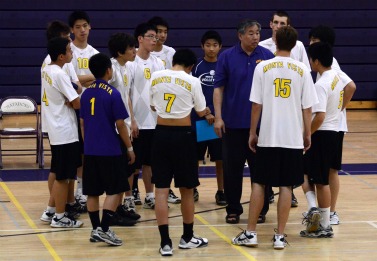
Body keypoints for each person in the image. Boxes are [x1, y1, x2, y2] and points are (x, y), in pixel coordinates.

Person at [231, 26, 317, 250]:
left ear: (276, 41)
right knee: (287, 186)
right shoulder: (302, 69)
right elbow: (307, 108)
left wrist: (252, 132)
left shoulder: (263, 67)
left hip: (268, 137)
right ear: (295, 43)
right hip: (292, 138)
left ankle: (250, 233)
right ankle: (280, 236)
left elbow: (256, 105)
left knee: (259, 183)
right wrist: (307, 133)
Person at [213, 19, 274, 224]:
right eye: (250, 33)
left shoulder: (267, 56)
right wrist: (219, 117)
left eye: (257, 32)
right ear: (240, 36)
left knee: (261, 170)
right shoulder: (227, 57)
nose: (255, 36)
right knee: (232, 170)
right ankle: (233, 209)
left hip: (260, 126)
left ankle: (261, 209)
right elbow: (218, 89)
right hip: (233, 125)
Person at [150, 48, 210, 256]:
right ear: (191, 67)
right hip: (183, 136)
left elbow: (152, 106)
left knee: (161, 190)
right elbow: (201, 111)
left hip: (160, 135)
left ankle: (165, 242)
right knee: (186, 188)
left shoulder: (156, 77)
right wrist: (209, 113)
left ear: (173, 61)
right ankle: (187, 237)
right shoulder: (193, 81)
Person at [80, 53, 136, 246]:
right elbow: (121, 124)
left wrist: (87, 143)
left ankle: (95, 229)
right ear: (108, 71)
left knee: (92, 192)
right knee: (116, 189)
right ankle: (104, 229)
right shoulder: (113, 93)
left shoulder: (85, 93)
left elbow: (82, 123)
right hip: (110, 149)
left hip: (91, 149)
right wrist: (129, 147)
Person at [259, 10, 311, 207]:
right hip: (270, 106)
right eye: (276, 22)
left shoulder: (297, 46)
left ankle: (288, 189)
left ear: (288, 26)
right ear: (270, 24)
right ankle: (268, 190)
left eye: (283, 23)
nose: (278, 26)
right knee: (270, 146)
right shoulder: (262, 46)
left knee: (287, 149)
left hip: (291, 106)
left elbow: (305, 72)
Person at [307, 25, 356, 225]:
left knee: (324, 175)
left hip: (327, 127)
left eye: (313, 41)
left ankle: (326, 215)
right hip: (332, 125)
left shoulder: (330, 67)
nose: (310, 44)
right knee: (327, 173)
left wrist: (338, 109)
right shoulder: (328, 67)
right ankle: (326, 214)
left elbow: (351, 86)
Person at [40, 21, 85, 224]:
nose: (72, 52)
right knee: (63, 176)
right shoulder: (60, 73)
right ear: (61, 56)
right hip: (65, 130)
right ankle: (60, 217)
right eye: (68, 49)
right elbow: (76, 104)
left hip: (56, 127)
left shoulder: (47, 70)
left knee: (60, 172)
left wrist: (73, 91)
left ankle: (50, 210)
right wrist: (76, 92)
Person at [300, 42, 344, 238]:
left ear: (316, 61)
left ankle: (324, 225)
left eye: (310, 59)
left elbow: (319, 116)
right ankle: (316, 213)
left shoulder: (320, 84)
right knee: (313, 175)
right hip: (334, 132)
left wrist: (307, 134)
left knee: (320, 181)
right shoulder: (336, 77)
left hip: (322, 134)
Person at [128, 22, 165, 210]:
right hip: (136, 121)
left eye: (156, 36)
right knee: (134, 162)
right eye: (151, 36)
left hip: (154, 120)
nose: (155, 39)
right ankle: (130, 194)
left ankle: (150, 195)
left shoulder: (158, 63)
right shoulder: (130, 62)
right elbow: (126, 93)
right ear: (140, 39)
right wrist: (132, 119)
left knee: (150, 162)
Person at [144, 16, 181, 205]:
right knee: (139, 155)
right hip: (144, 109)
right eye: (159, 32)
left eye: (165, 32)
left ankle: (165, 188)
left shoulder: (170, 53)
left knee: (159, 156)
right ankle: (134, 190)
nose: (162, 35)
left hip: (164, 109)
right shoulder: (141, 57)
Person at [107, 32, 140, 225]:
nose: (134, 51)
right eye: (130, 48)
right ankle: (112, 213)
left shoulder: (126, 68)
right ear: (120, 51)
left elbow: (126, 96)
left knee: (127, 169)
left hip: (126, 124)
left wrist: (133, 120)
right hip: (115, 127)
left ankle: (119, 207)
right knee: (119, 171)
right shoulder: (111, 68)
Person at [68, 10, 99, 208]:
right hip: (72, 106)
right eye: (78, 27)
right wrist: (85, 79)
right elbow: (69, 81)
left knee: (88, 149)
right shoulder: (67, 50)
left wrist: (80, 80)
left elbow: (99, 78)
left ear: (90, 27)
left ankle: (82, 189)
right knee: (76, 152)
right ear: (71, 30)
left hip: (90, 107)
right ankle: (74, 193)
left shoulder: (94, 53)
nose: (82, 30)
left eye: (85, 26)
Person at [191, 30, 226, 206]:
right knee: (195, 157)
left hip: (218, 121)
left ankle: (221, 191)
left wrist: (216, 114)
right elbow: (193, 94)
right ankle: (194, 188)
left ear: (220, 47)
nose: (211, 49)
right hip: (200, 120)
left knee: (220, 159)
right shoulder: (196, 68)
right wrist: (206, 112)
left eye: (215, 45)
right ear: (202, 46)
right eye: (208, 45)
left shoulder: (224, 66)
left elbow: (226, 93)